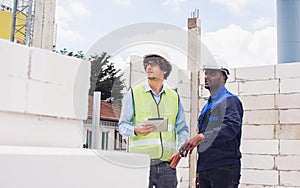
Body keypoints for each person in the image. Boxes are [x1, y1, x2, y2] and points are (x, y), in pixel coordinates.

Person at [118, 50, 189, 188]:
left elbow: (182, 129)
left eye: (154, 64)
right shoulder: (133, 93)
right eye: (147, 64)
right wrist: (136, 130)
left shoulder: (174, 96)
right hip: (141, 163)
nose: (148, 68)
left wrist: (180, 152)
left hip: (167, 164)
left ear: (164, 69)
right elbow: (122, 125)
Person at [179, 66, 243, 188]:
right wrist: (199, 171)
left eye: (212, 74)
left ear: (223, 77)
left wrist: (203, 136)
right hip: (206, 168)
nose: (206, 77)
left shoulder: (230, 101)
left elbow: (231, 127)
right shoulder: (207, 106)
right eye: (206, 73)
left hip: (224, 168)